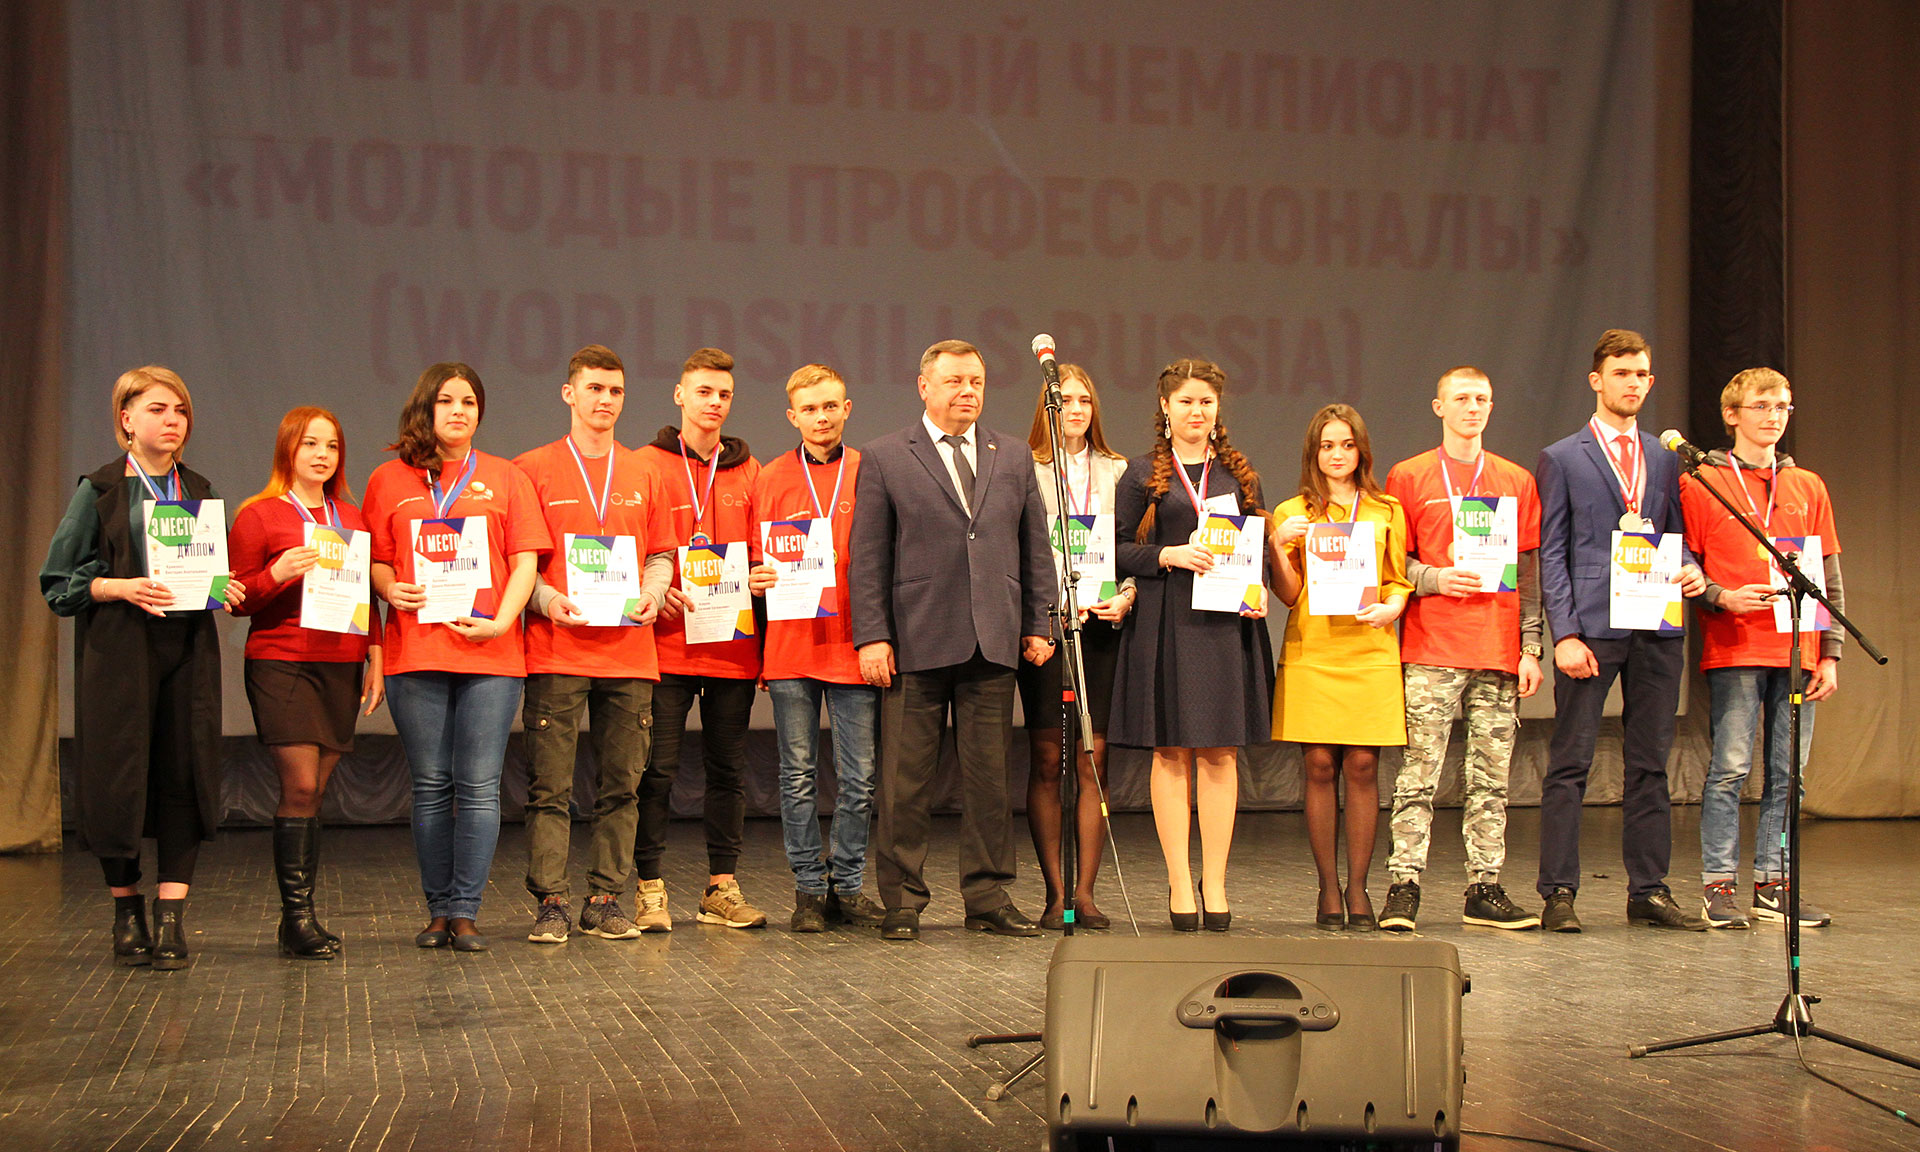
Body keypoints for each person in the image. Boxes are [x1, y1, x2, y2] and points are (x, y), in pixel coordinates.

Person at [40, 366, 246, 971]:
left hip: (187, 653)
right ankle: (126, 910)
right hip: (119, 654)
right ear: (126, 419)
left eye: (180, 410)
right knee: (119, 776)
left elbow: (212, 569)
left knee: (184, 770)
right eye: (158, 409)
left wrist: (225, 586)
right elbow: (58, 583)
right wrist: (116, 586)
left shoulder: (199, 490)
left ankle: (171, 915)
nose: (172, 420)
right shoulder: (101, 489)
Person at [849, 339, 1054, 942]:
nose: (968, 392)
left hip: (992, 639)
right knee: (904, 782)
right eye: (955, 381)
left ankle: (987, 896)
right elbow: (868, 556)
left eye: (977, 382)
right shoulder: (885, 455)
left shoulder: (1011, 454)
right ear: (924, 386)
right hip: (915, 639)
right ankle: (902, 900)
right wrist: (873, 636)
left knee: (990, 781)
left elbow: (1035, 547)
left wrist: (1038, 622)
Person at [365, 362, 548, 953]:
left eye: (469, 401)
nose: (459, 411)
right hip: (416, 651)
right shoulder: (388, 479)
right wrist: (390, 588)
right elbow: (376, 560)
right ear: (426, 408)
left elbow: (525, 562)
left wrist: (501, 622)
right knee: (430, 786)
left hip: (491, 652)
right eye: (447, 401)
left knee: (479, 787)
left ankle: (466, 911)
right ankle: (437, 910)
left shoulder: (506, 476)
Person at [1536, 329, 1709, 932]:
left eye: (1641, 374)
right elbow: (1552, 552)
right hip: (1591, 627)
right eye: (1621, 373)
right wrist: (1564, 634)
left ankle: (1649, 890)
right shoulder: (1563, 457)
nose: (1632, 383)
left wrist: (1693, 568)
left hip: (1656, 623)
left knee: (1651, 763)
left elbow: (1675, 535)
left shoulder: (1663, 458)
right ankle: (1559, 892)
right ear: (1597, 380)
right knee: (1571, 762)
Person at [513, 345, 672, 944]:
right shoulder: (531, 469)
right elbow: (519, 563)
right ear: (569, 393)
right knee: (549, 789)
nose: (606, 400)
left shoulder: (645, 471)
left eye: (616, 390)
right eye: (595, 388)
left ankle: (605, 899)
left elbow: (660, 555)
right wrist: (548, 600)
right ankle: (551, 902)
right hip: (557, 649)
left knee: (622, 788)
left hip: (630, 653)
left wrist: (653, 594)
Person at [1680, 368, 1845, 928]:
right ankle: (1718, 885)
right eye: (1762, 406)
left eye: (1782, 407)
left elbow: (1827, 574)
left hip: (1798, 648)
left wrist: (1831, 653)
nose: (1773, 416)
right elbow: (1684, 562)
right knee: (1730, 769)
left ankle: (1773, 884)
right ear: (1732, 415)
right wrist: (1721, 597)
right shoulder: (1703, 481)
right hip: (1736, 646)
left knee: (1787, 774)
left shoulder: (1808, 486)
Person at [1379, 369, 1543, 933]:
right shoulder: (1410, 475)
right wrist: (1435, 579)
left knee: (1491, 780)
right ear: (1439, 406)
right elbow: (1392, 561)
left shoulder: (1516, 479)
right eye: (1461, 399)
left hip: (1498, 648)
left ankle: (1485, 887)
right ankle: (1404, 885)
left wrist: (1531, 645)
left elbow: (1528, 571)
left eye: (1481, 399)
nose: (1472, 408)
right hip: (1432, 645)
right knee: (1417, 774)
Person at [1109, 359, 1270, 933]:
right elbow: (1117, 549)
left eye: (1206, 402)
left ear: (1217, 408)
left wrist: (1258, 588)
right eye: (1185, 401)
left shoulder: (1238, 474)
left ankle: (1216, 880)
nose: (1196, 411)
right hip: (1167, 621)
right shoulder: (1141, 474)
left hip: (1225, 625)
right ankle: (1180, 879)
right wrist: (1168, 555)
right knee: (1172, 751)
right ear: (1165, 407)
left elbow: (1256, 547)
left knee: (1221, 753)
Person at [228, 407, 386, 959]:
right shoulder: (259, 516)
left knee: (316, 791)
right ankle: (297, 918)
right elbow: (234, 599)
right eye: (310, 444)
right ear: (288, 451)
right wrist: (275, 574)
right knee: (298, 786)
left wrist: (376, 655)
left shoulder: (351, 517)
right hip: (283, 662)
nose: (322, 455)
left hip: (341, 663)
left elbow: (366, 595)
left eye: (332, 446)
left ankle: (298, 918)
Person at [632, 347, 768, 930]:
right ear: (679, 395)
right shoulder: (643, 464)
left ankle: (721, 887)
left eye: (724, 395)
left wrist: (761, 575)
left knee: (727, 773)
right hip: (664, 647)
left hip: (732, 647)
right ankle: (649, 887)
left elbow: (763, 548)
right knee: (656, 772)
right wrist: (649, 588)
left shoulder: (751, 471)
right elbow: (628, 547)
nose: (714, 403)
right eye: (704, 392)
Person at [748, 364, 885, 933]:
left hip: (853, 646)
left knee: (860, 778)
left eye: (831, 406)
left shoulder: (871, 471)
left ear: (847, 409)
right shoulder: (770, 477)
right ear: (792, 416)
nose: (821, 417)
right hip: (791, 648)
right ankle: (808, 889)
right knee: (797, 775)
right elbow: (753, 563)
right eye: (809, 409)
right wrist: (755, 579)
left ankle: (847, 886)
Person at [1272, 404, 1411, 931]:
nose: (1337, 455)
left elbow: (1398, 580)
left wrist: (1393, 606)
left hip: (1369, 651)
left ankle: (1358, 888)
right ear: (1314, 452)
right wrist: (1278, 544)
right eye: (1327, 445)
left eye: (1347, 445)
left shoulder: (1386, 509)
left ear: (1361, 451)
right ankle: (1328, 888)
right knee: (1318, 767)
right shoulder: (1293, 511)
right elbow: (1289, 594)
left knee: (1363, 767)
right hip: (1314, 650)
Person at [1019, 364, 1135, 932]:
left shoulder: (1119, 470)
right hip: (1047, 630)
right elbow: (1015, 551)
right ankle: (1055, 892)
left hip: (1102, 628)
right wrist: (1037, 614)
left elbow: (1134, 548)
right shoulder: (1024, 469)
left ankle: (1085, 895)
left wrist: (1128, 595)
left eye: (1085, 400)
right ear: (1047, 407)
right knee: (1048, 760)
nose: (1076, 409)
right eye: (1065, 400)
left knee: (1094, 759)